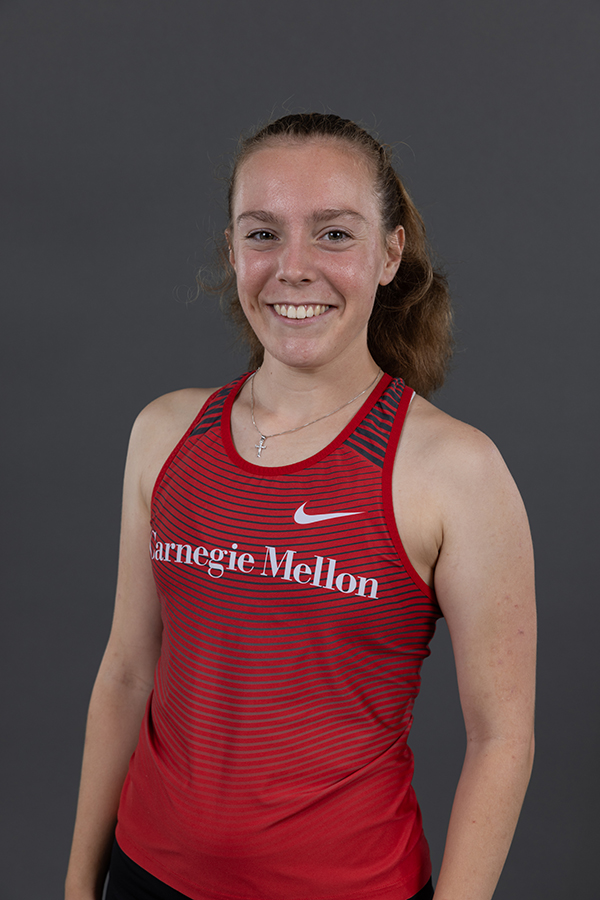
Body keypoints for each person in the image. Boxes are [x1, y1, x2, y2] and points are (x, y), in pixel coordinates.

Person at [65, 113, 536, 900]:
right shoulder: (164, 433)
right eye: (262, 233)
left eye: (334, 235)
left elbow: (501, 738)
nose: (293, 268)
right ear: (232, 251)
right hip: (146, 876)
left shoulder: (455, 470)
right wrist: (81, 885)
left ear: (390, 254)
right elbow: (125, 672)